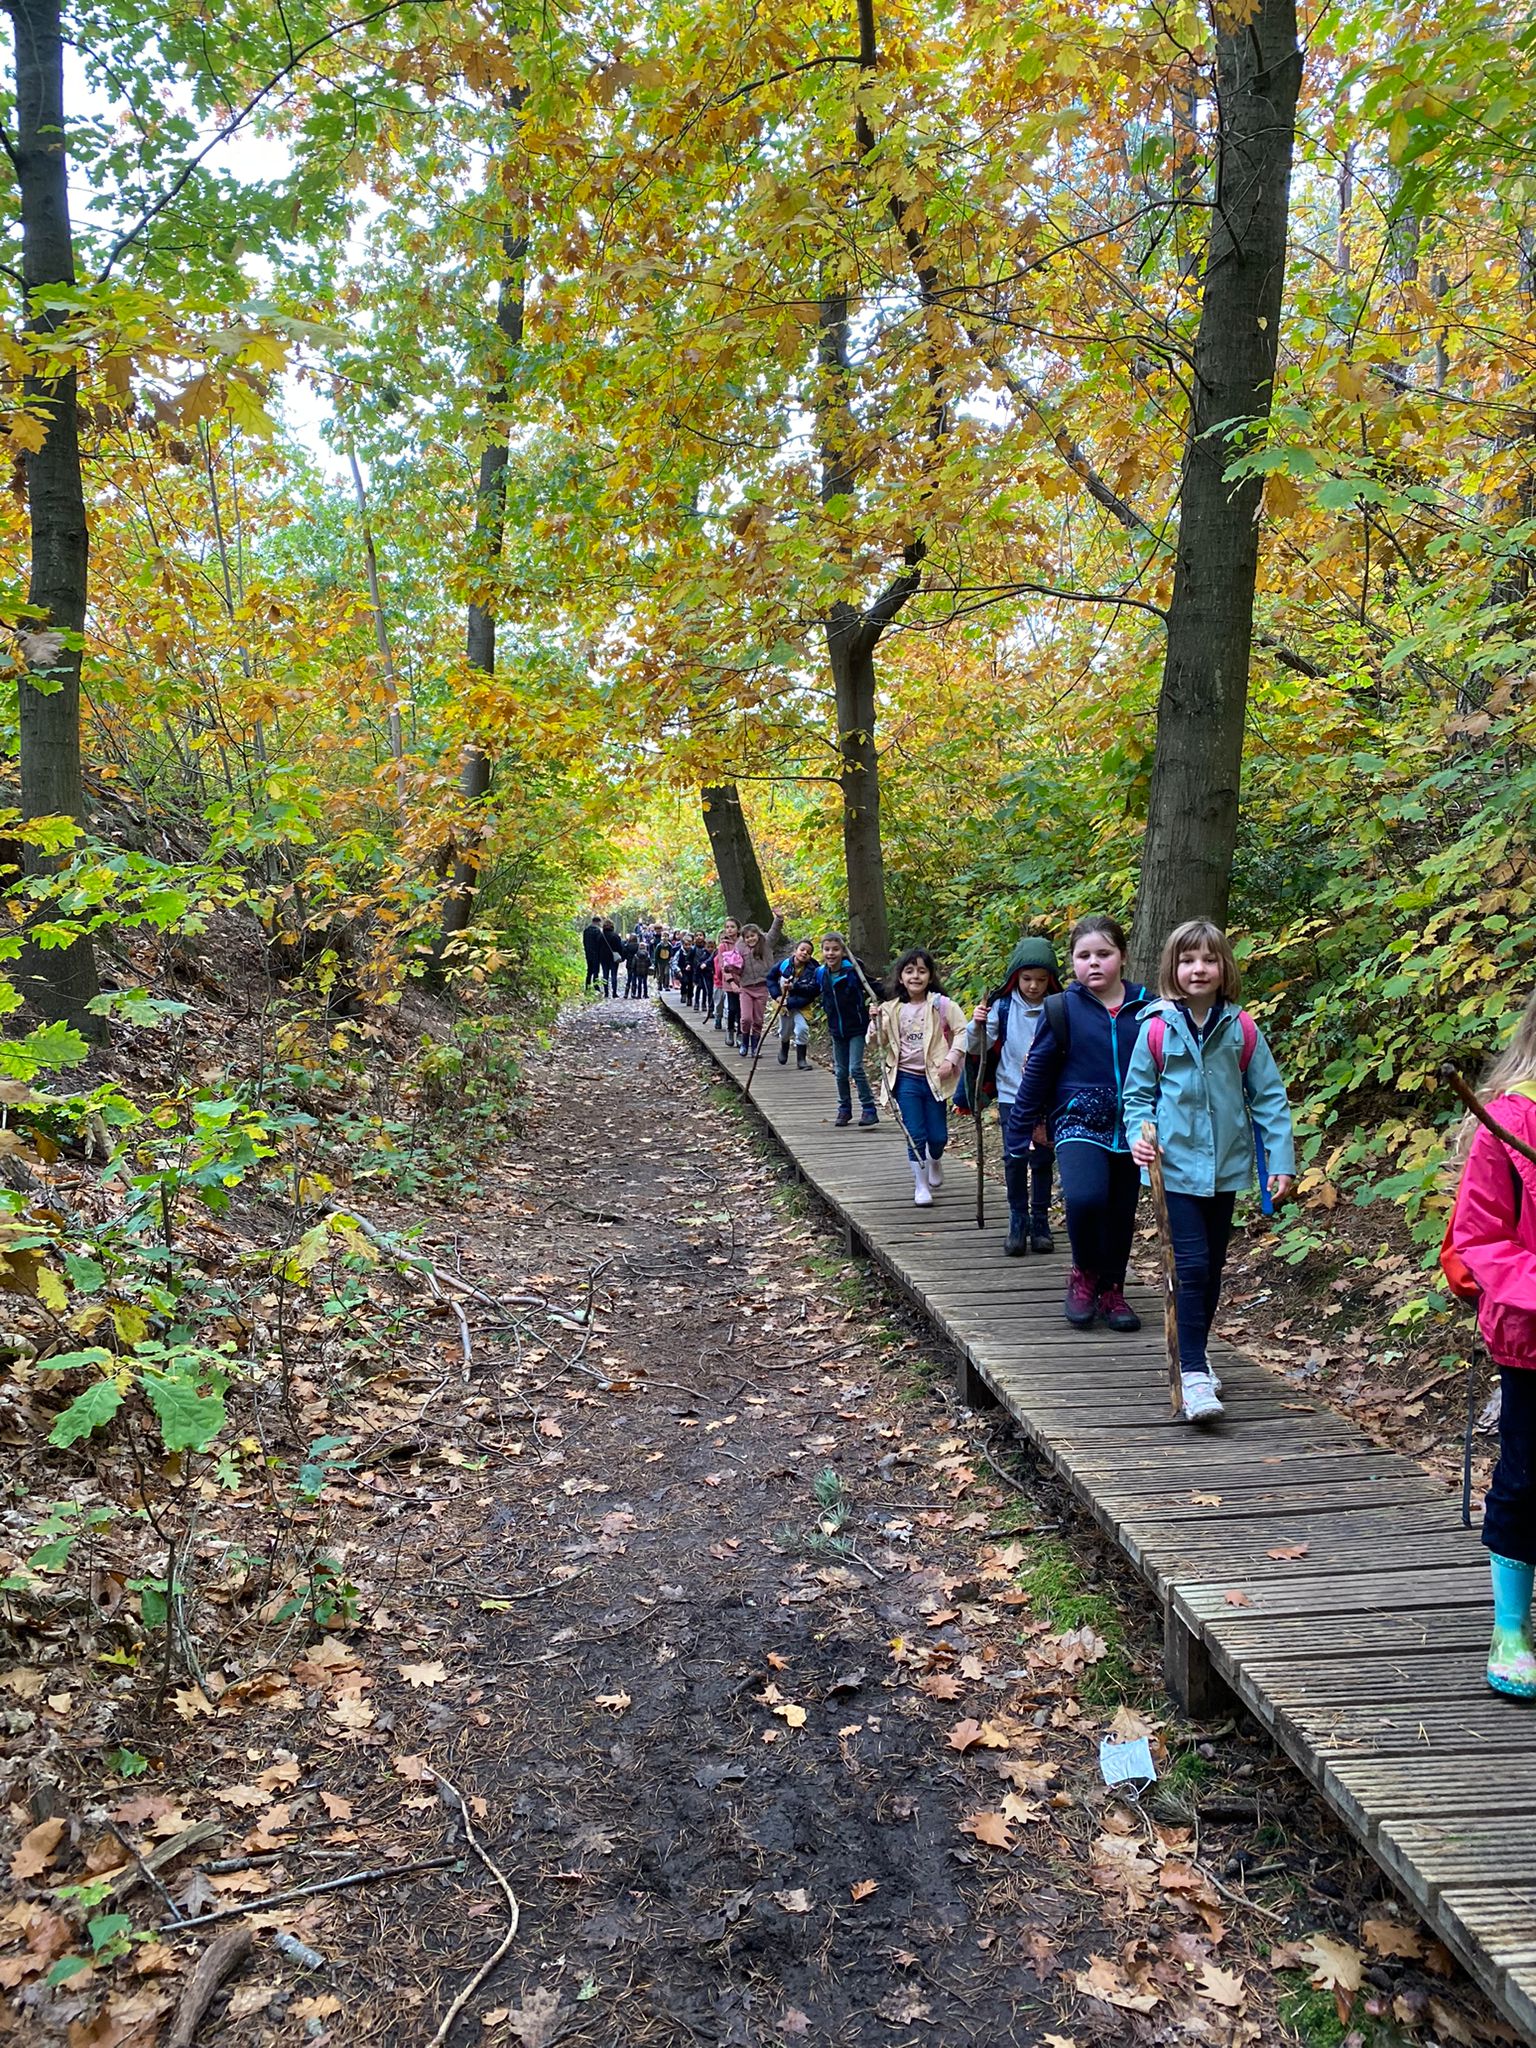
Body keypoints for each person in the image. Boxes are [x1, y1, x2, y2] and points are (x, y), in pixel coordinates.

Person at [1123, 920, 1295, 1425]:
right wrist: (1140, 1132)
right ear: (1172, 969)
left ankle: (1196, 1351)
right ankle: (1193, 1372)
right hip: (1172, 1169)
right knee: (1192, 1266)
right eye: (1187, 960)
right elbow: (1137, 1096)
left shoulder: (1241, 1028)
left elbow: (1268, 1097)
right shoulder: (1155, 1027)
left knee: (1211, 1268)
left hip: (1225, 1170)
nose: (1198, 969)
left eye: (1208, 960)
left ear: (1224, 969)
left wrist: (1280, 1160)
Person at [1445, 987, 1536, 1700]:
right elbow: (1480, 1239)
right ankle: (1511, 1626)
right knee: (1528, 1475)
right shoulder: (1508, 1121)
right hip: (1530, 1335)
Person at [1008, 914, 1151, 1332]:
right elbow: (1036, 1072)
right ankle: (1085, 1273)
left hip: (1133, 1126)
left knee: (1122, 1210)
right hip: (1076, 1122)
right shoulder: (1062, 1008)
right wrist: (1020, 1130)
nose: (1094, 963)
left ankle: (1113, 1287)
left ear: (1122, 957)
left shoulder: (1149, 1007)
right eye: (1083, 955)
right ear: (1072, 961)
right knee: (1086, 1198)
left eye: (1103, 954)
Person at [967, 936, 1062, 1256]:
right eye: (1026, 979)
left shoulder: (1061, 1007)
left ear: (1051, 979)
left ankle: (1040, 1221)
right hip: (1012, 1093)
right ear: (1015, 978)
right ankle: (1017, 1219)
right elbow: (977, 1047)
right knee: (1015, 1156)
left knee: (1043, 1158)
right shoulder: (1002, 1007)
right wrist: (975, 1026)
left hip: (1049, 1096)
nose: (1033, 986)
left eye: (1040, 979)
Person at [870, 948, 970, 1206]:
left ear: (930, 976)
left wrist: (951, 1059)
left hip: (935, 1078)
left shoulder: (942, 1005)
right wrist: (874, 1023)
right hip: (905, 1079)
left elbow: (962, 1032)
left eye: (922, 971)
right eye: (909, 971)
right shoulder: (890, 1009)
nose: (916, 976)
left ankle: (935, 1160)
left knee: (938, 1136)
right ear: (900, 977)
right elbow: (877, 1044)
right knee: (915, 1132)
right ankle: (921, 1185)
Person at [817, 932, 879, 1127]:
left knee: (855, 1068)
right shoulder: (821, 974)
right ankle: (844, 1109)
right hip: (837, 1029)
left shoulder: (853, 971)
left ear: (843, 951)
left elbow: (873, 986)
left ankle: (869, 1109)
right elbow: (809, 991)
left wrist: (897, 993)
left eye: (835, 949)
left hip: (856, 1027)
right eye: (827, 949)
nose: (831, 953)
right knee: (841, 1071)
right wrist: (789, 991)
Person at [735, 913, 784, 1061]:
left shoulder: (766, 943)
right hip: (746, 987)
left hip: (762, 986)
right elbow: (734, 964)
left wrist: (779, 918)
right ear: (743, 938)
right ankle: (744, 1043)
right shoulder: (740, 948)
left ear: (758, 935)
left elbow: (774, 932)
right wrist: (730, 970)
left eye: (753, 936)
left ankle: (755, 1047)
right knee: (746, 1019)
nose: (751, 939)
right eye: (747, 937)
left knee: (758, 1019)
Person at [768, 939, 820, 1067]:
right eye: (802, 950)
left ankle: (801, 1060)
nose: (804, 953)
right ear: (795, 951)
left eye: (808, 952)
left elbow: (813, 991)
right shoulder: (784, 965)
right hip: (783, 1005)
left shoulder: (814, 970)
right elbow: (770, 979)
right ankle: (784, 1046)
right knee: (785, 1031)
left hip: (801, 1005)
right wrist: (777, 996)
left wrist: (795, 989)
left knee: (802, 1029)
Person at [715, 922, 745, 1046]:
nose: (729, 929)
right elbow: (723, 965)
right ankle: (730, 1030)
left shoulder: (743, 943)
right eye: (727, 927)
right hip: (729, 981)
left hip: (743, 980)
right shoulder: (723, 946)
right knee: (732, 1008)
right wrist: (731, 982)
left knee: (741, 1009)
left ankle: (740, 1033)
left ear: (738, 929)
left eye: (732, 927)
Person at [582, 914, 606, 994]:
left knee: (589, 970)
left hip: (588, 953)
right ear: (598, 922)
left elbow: (584, 942)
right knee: (596, 971)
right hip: (596, 953)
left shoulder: (586, 931)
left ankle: (587, 986)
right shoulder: (597, 931)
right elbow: (600, 943)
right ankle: (596, 987)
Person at [599, 919, 623, 999]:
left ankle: (606, 993)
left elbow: (597, 947)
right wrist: (621, 957)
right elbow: (620, 947)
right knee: (614, 975)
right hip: (614, 958)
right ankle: (614, 993)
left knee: (605, 975)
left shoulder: (600, 936)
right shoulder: (615, 936)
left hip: (603, 957)